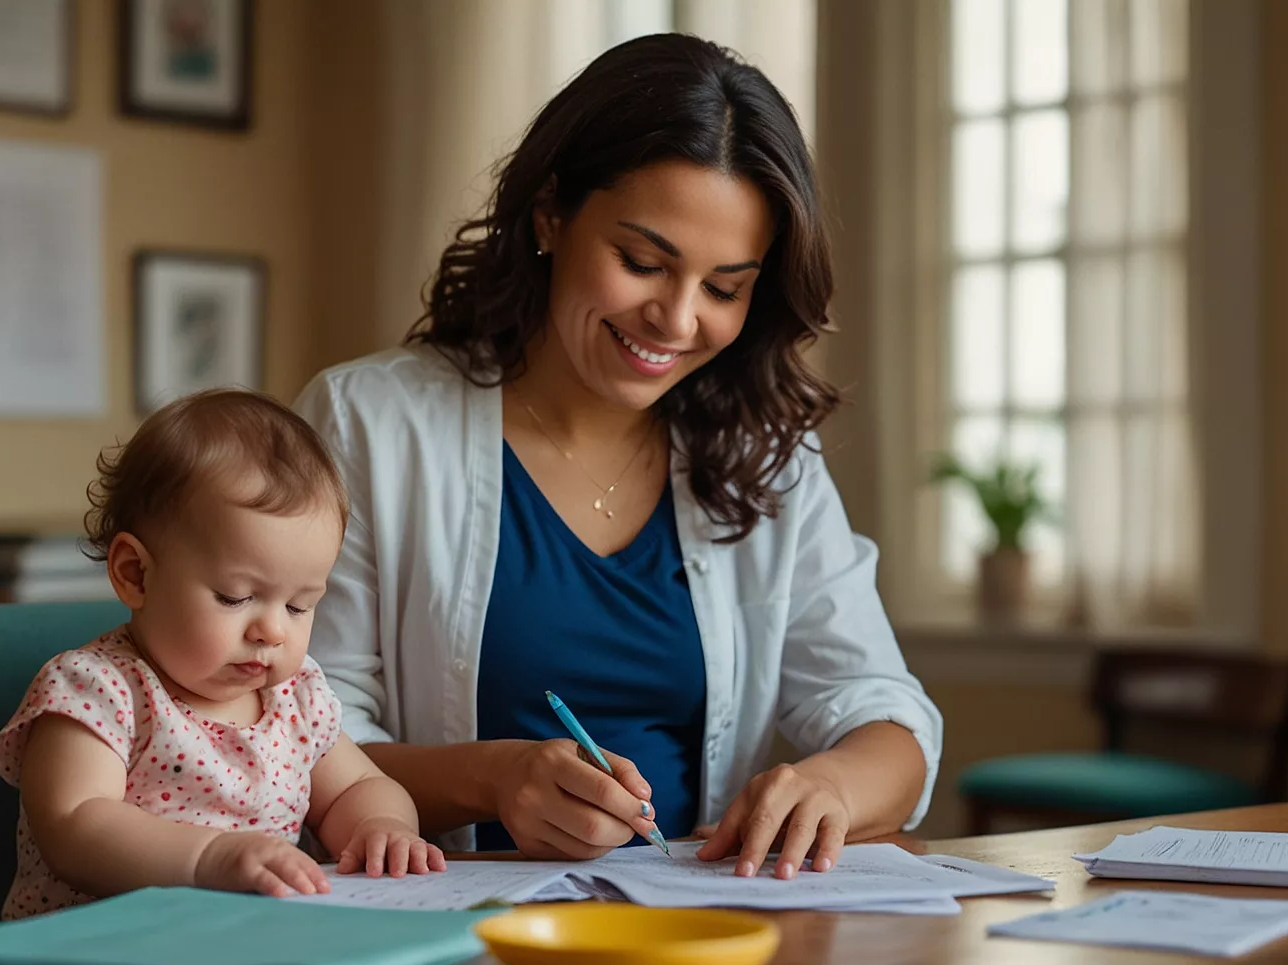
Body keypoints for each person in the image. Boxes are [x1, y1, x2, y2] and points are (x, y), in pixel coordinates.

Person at [293, 34, 942, 881]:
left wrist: (831, 785)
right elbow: (295, 728)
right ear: (551, 213)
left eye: (725, 288)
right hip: (442, 928)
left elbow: (888, 717)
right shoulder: (368, 421)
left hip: (695, 937)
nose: (676, 321)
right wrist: (494, 780)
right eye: (643, 262)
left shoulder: (767, 457)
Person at [0, 390, 444, 920]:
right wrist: (208, 857)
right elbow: (75, 824)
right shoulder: (98, 689)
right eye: (235, 597)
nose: (272, 629)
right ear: (135, 574)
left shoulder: (294, 698)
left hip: (240, 952)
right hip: (95, 956)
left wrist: (380, 827)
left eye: (301, 606)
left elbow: (359, 787)